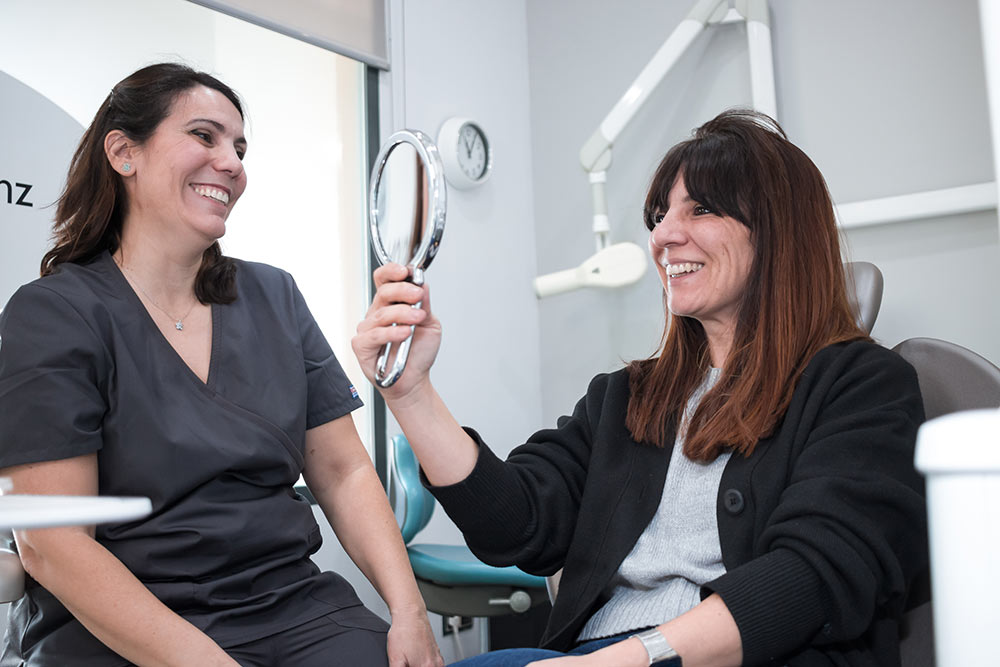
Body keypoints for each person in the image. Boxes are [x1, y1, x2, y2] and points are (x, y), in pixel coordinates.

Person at [352, 109, 927, 666]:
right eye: (659, 215)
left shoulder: (862, 386)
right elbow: (518, 525)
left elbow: (813, 577)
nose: (663, 236)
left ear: (778, 233)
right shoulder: (629, 398)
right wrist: (411, 394)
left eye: (700, 209)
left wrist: (622, 660)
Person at [0, 63, 443, 667]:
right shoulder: (53, 314)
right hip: (117, 624)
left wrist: (410, 613)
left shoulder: (274, 296)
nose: (232, 162)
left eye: (239, 147)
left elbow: (342, 473)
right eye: (204, 136)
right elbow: (53, 544)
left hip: (291, 609)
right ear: (124, 153)